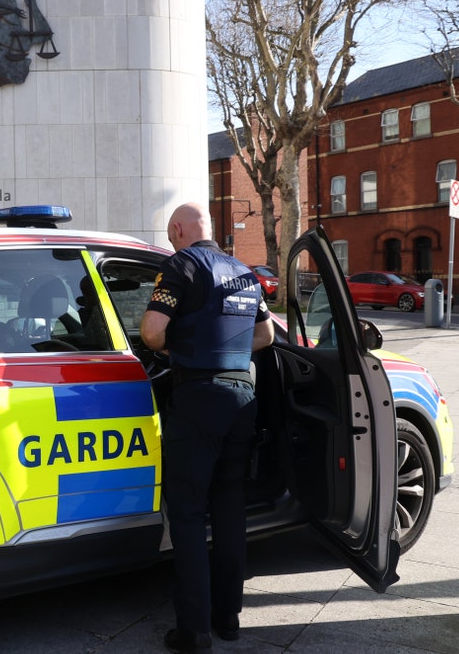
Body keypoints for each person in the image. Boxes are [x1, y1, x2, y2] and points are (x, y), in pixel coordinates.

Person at [139, 202, 274, 654]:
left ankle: (193, 630)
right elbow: (267, 337)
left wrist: (179, 350)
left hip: (197, 397)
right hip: (243, 398)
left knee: (190, 514)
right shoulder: (244, 272)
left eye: (171, 232)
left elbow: (153, 332)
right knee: (230, 507)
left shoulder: (181, 264)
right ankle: (228, 619)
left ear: (178, 229)